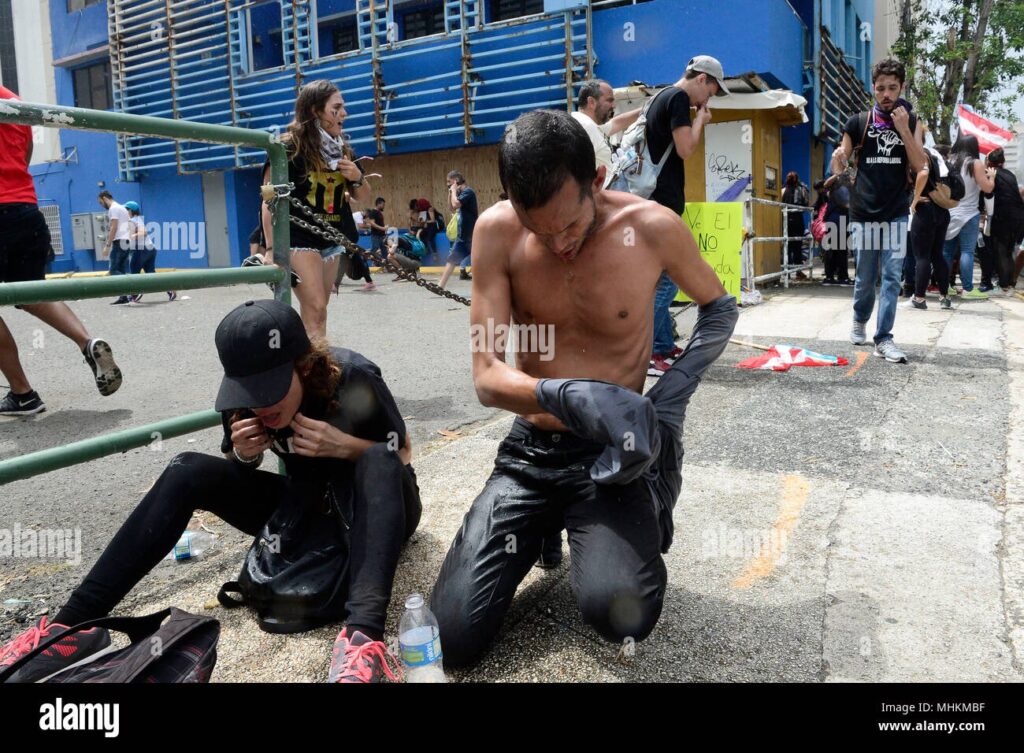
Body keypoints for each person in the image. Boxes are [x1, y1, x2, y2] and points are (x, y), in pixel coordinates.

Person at [429, 109, 738, 668]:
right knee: (450, 639)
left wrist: (669, 399)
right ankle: (539, 524)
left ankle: (651, 491)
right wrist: (568, 396)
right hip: (532, 452)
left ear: (597, 179)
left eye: (569, 225)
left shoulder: (652, 227)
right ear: (511, 201)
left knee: (622, 613)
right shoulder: (496, 231)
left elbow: (719, 309)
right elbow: (487, 375)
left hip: (612, 455)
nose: (558, 244)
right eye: (539, 231)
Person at [0, 299, 420, 683]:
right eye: (251, 393)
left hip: (378, 508)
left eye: (272, 390)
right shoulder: (243, 398)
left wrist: (343, 446)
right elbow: (235, 461)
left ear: (304, 367)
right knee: (187, 469)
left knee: (377, 458)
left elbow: (401, 453)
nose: (261, 406)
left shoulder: (352, 377)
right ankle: (72, 626)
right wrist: (244, 454)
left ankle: (363, 639)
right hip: (304, 510)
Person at [0, 85, 122, 415]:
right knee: (32, 293)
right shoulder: (14, 101)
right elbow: (24, 156)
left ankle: (23, 394)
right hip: (26, 209)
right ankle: (86, 342)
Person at [830, 58, 928, 364]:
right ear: (873, 88)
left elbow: (920, 165)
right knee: (865, 276)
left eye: (892, 88)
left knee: (892, 277)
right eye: (881, 88)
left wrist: (904, 130)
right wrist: (838, 158)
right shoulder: (858, 122)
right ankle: (860, 317)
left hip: (896, 211)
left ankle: (884, 338)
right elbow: (840, 164)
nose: (886, 94)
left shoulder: (912, 121)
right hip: (863, 212)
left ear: (902, 88)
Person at [260, 79, 371, 338]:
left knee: (319, 313)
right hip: (298, 237)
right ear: (315, 110)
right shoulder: (288, 147)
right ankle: (316, 361)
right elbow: (268, 198)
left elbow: (363, 195)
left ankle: (309, 357)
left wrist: (357, 177)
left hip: (331, 238)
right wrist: (270, 249)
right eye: (337, 108)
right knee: (316, 308)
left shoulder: (341, 148)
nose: (344, 114)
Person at [641, 55, 729, 377]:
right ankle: (651, 352)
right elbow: (685, 149)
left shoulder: (659, 96)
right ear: (702, 78)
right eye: (711, 92)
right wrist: (700, 121)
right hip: (662, 205)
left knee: (661, 279)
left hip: (653, 203)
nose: (707, 101)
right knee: (666, 282)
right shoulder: (678, 98)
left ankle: (663, 345)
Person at [942, 134, 996, 300]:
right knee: (967, 251)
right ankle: (967, 289)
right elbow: (987, 188)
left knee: (947, 252)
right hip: (969, 214)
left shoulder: (949, 161)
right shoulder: (975, 163)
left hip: (950, 211)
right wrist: (991, 177)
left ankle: (945, 287)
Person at [901, 146, 953, 311]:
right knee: (937, 254)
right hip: (941, 210)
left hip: (925, 210)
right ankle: (944, 297)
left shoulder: (920, 155)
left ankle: (919, 298)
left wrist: (915, 199)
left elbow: (923, 173)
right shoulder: (936, 159)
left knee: (922, 256)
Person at [571, 79, 641, 174]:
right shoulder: (585, 127)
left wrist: (646, 108)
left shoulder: (589, 125)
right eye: (609, 100)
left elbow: (617, 123)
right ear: (591, 102)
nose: (614, 106)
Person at [983, 148, 1024, 295]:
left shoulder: (991, 174)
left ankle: (1003, 286)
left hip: (1003, 218)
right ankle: (1009, 285)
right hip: (1018, 218)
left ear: (989, 162)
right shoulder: (1010, 174)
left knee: (1000, 252)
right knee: (1008, 251)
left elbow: (987, 193)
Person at [123, 201, 177, 303]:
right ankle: (169, 290)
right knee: (151, 274)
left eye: (126, 209)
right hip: (150, 249)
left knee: (134, 274)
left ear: (130, 210)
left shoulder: (132, 220)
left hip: (141, 250)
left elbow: (143, 232)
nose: (124, 211)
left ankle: (135, 294)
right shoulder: (137, 219)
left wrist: (131, 236)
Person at [438, 170, 477, 288]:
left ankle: (440, 285)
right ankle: (440, 286)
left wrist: (454, 191)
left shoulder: (468, 192)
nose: (447, 185)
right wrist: (451, 193)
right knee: (452, 259)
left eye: (449, 182)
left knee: (479, 260)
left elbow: (456, 204)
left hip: (471, 234)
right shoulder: (459, 194)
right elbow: (451, 208)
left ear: (455, 181)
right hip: (464, 234)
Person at [816, 173, 853, 286]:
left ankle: (830, 276)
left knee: (831, 249)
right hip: (840, 220)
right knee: (841, 250)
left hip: (833, 219)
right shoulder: (845, 188)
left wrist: (838, 174)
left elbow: (826, 184)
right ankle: (842, 277)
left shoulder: (833, 189)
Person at [98, 190, 133, 305]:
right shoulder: (122, 208)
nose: (101, 205)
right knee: (121, 269)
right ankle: (124, 296)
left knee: (113, 270)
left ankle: (132, 289)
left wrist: (107, 245)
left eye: (101, 202)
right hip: (126, 241)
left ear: (104, 198)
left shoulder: (113, 209)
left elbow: (114, 227)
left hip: (119, 241)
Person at [781, 172, 809, 279]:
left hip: (786, 221)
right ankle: (798, 271)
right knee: (797, 247)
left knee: (787, 247)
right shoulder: (802, 190)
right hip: (798, 221)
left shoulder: (782, 190)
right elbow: (806, 203)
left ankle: (786, 273)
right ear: (797, 180)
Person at [365, 197, 388, 263]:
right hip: (376, 235)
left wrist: (384, 229)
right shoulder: (373, 212)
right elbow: (372, 223)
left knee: (384, 251)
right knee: (375, 248)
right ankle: (364, 259)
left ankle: (386, 265)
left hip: (382, 235)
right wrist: (382, 228)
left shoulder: (379, 213)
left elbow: (379, 223)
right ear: (378, 204)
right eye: (383, 205)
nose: (384, 206)